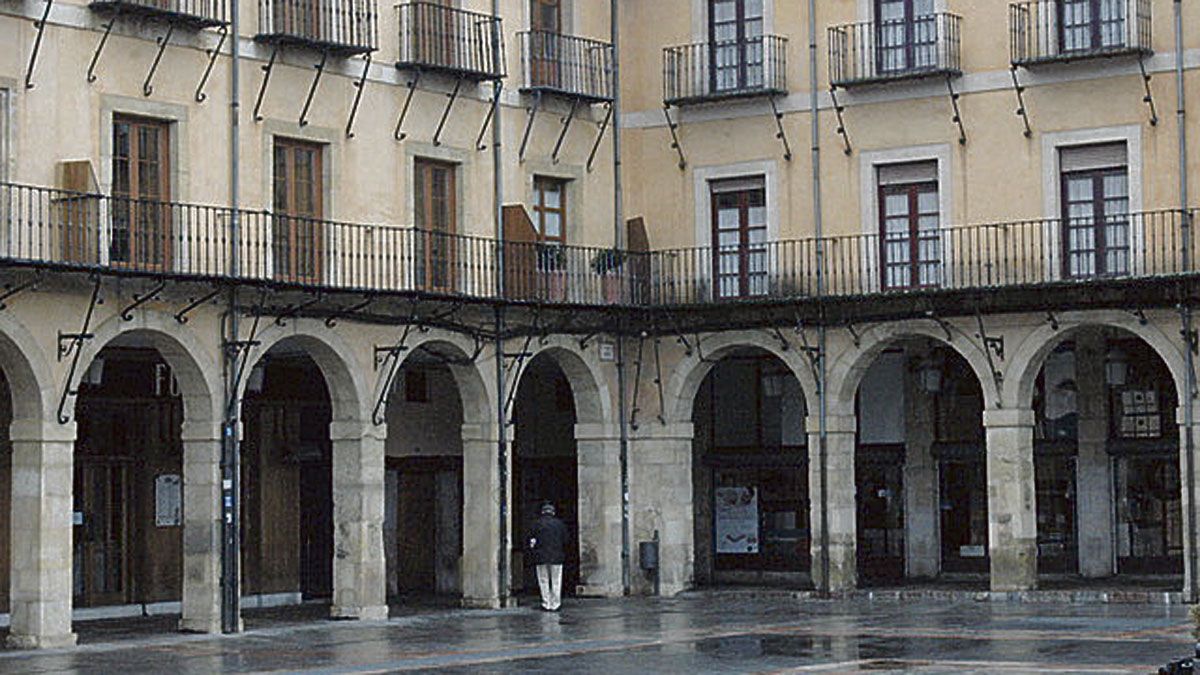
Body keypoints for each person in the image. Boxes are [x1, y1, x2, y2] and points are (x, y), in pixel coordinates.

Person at [527, 502, 569, 612]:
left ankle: (546, 603)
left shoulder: (536, 524)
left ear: (542, 512)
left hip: (541, 556)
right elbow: (566, 540)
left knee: (543, 580)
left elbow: (531, 541)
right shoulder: (560, 524)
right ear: (553, 512)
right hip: (557, 556)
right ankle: (556, 603)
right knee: (556, 580)